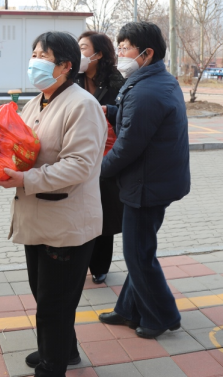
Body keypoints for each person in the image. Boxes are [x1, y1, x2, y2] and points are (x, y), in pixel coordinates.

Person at [0, 32, 107, 376]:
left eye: (43, 56)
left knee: (54, 304)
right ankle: (64, 349)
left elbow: (79, 166)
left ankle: (52, 366)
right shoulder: (37, 102)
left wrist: (23, 180)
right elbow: (21, 150)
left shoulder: (82, 105)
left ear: (66, 66)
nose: (34, 61)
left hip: (65, 222)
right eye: (34, 54)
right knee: (45, 295)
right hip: (37, 218)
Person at [99, 21, 191, 339]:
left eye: (125, 48)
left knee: (138, 254)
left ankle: (162, 315)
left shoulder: (147, 90)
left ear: (146, 53)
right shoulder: (156, 80)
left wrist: (97, 171)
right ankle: (128, 309)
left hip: (146, 185)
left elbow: (127, 146)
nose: (120, 54)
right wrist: (110, 111)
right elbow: (138, 119)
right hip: (155, 180)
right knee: (140, 251)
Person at [76, 31, 125, 284]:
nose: (79, 52)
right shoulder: (72, 79)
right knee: (79, 212)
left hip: (107, 157)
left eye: (83, 47)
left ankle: (100, 266)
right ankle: (78, 263)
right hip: (78, 153)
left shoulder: (117, 81)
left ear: (99, 54)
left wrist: (109, 111)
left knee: (105, 212)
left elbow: (126, 116)